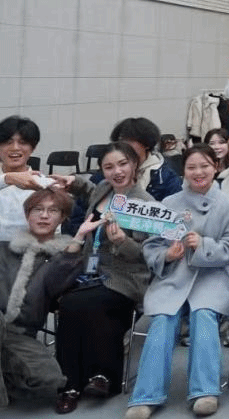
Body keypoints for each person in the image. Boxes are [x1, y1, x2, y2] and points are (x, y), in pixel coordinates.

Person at [125, 145, 229, 419]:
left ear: (216, 167)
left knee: (203, 315)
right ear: (184, 171)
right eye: (191, 167)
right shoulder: (169, 203)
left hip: (214, 277)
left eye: (204, 166)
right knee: (163, 319)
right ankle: (146, 396)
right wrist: (167, 255)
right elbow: (152, 246)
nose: (198, 172)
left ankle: (205, 391)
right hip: (175, 276)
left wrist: (204, 245)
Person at [48, 143, 152, 413]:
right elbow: (89, 190)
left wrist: (122, 242)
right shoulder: (105, 189)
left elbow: (149, 255)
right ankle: (97, 377)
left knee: (76, 303)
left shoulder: (144, 204)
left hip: (126, 278)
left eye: (123, 164)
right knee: (82, 305)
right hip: (91, 273)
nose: (117, 171)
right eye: (109, 167)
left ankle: (73, 383)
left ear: (134, 165)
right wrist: (72, 182)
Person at [0, 188, 73, 409]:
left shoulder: (65, 257)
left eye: (53, 210)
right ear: (27, 215)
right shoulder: (4, 249)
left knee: (50, 379)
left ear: (62, 218)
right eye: (38, 209)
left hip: (20, 334)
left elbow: (59, 284)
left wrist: (73, 249)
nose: (44, 216)